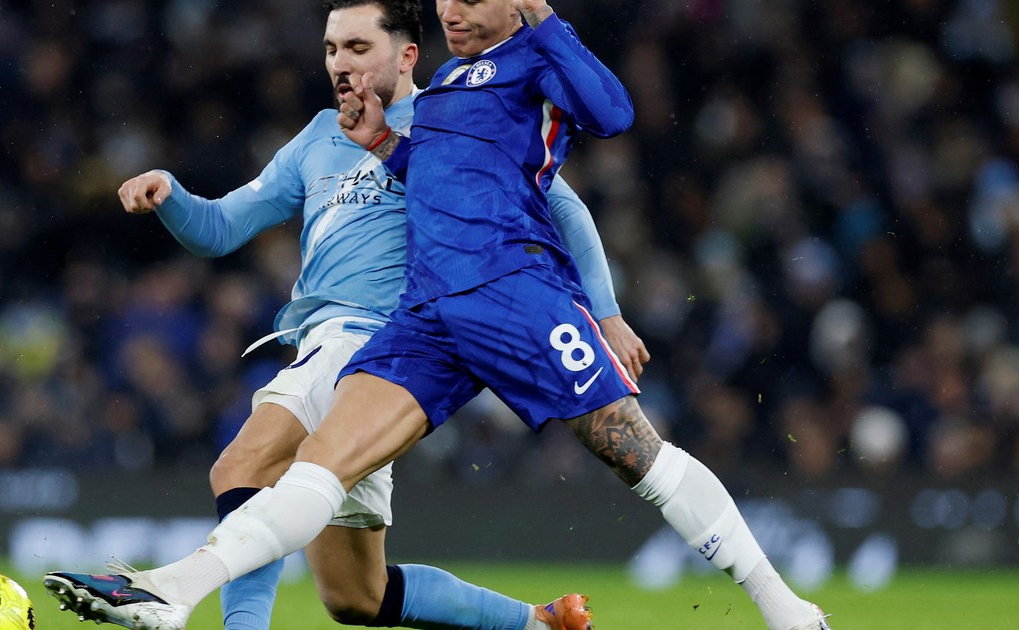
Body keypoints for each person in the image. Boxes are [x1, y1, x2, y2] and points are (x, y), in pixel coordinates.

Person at [48, 1, 832, 629]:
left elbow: (611, 117)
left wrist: (608, 312)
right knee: (326, 491)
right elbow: (431, 177)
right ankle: (174, 591)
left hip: (511, 291)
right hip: (424, 316)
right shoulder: (442, 91)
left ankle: (783, 606)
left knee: (639, 456)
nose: (452, 9)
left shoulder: (534, 62)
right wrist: (381, 146)